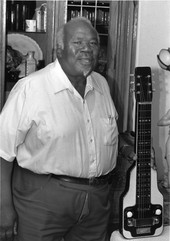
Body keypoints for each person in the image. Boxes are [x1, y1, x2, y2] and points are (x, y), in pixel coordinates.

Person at [0, 17, 118, 241]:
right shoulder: (31, 88)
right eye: (78, 42)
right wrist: (3, 206)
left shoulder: (102, 84)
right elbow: (2, 151)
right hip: (42, 200)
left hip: (97, 201)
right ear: (59, 48)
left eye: (93, 43)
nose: (87, 49)